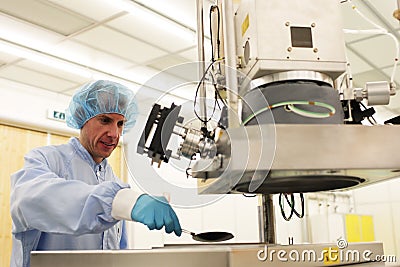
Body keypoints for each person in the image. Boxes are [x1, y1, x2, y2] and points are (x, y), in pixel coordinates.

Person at [10, 80, 182, 267]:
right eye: (105, 120)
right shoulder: (47, 160)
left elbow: (117, 249)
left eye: (120, 123)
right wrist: (117, 201)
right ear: (82, 118)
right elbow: (29, 200)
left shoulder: (113, 180)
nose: (114, 134)